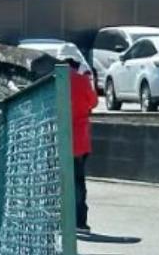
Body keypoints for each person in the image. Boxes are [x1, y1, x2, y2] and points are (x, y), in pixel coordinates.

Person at [67, 55, 99, 233]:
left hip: (60, 137)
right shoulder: (82, 80)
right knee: (78, 181)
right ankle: (80, 221)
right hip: (80, 138)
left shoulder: (54, 82)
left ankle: (62, 219)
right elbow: (93, 102)